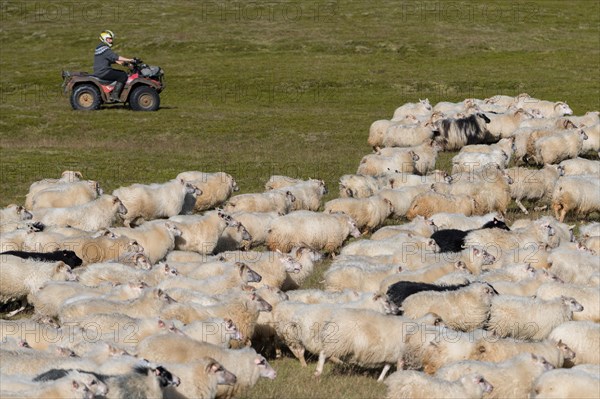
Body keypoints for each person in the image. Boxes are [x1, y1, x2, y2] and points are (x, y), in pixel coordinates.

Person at [94, 30, 135, 101]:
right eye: (109, 39)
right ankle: (114, 96)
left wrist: (126, 64)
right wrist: (130, 60)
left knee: (120, 73)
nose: (111, 40)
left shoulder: (100, 48)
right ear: (104, 39)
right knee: (122, 75)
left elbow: (114, 60)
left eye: (111, 39)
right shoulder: (105, 49)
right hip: (103, 72)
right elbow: (116, 57)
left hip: (101, 71)